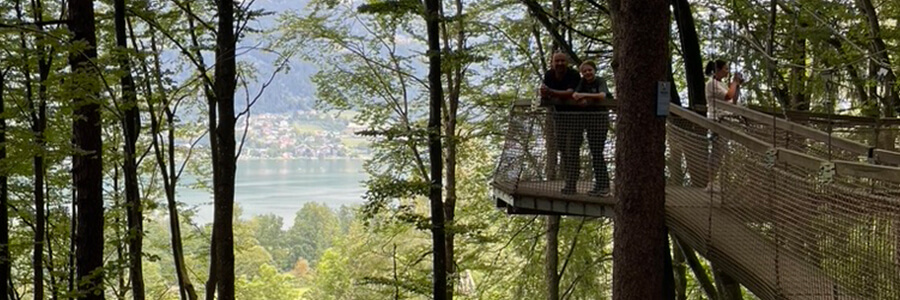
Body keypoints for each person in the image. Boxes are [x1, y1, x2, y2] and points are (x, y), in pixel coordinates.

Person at [571, 60, 612, 197]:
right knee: (595, 153)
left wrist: (584, 96)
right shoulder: (582, 82)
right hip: (589, 122)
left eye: (590, 70)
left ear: (594, 70)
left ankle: (604, 186)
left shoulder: (600, 81)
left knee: (597, 153)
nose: (587, 73)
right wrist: (580, 98)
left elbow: (602, 96)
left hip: (600, 121)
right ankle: (600, 185)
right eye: (584, 71)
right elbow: (575, 94)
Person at [704, 59, 743, 192]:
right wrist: (734, 83)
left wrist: (736, 86)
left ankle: (716, 182)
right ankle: (710, 182)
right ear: (718, 70)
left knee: (721, 152)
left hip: (725, 121)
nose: (727, 71)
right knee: (717, 152)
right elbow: (727, 96)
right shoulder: (711, 84)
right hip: (717, 121)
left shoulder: (722, 84)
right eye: (725, 69)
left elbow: (733, 100)